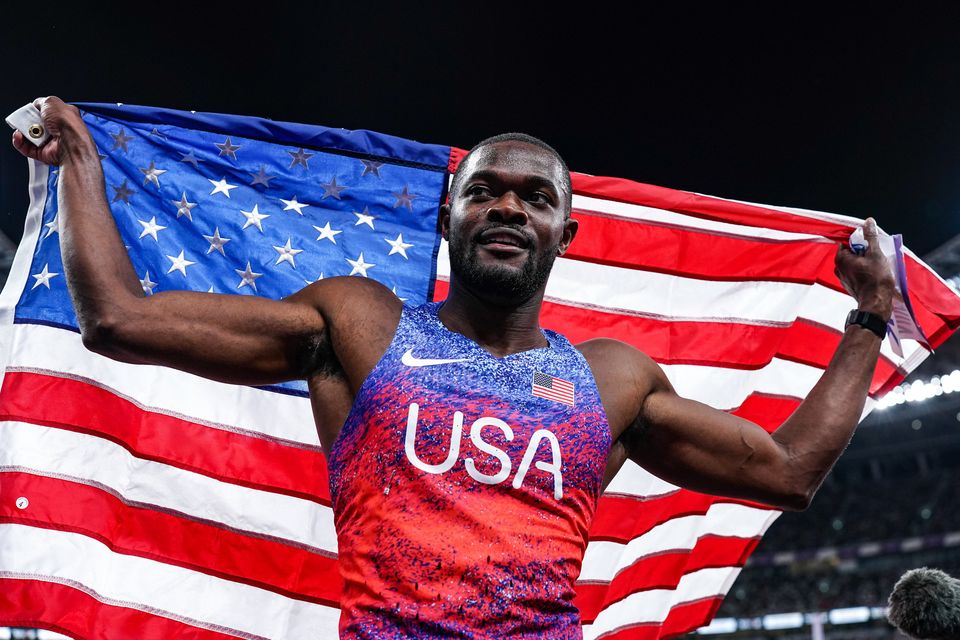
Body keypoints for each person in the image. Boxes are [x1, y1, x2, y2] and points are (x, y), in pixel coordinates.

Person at [12, 97, 895, 640]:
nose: (507, 205)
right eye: (484, 190)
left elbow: (787, 472)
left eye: (534, 196)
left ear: (565, 235)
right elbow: (119, 321)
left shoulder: (612, 380)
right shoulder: (358, 325)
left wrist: (869, 319)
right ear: (450, 218)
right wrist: (82, 160)